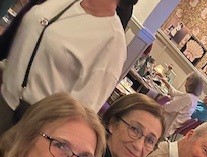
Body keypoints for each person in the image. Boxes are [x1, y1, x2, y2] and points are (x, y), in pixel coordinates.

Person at [0, 0, 127, 135]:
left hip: (31, 125)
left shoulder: (112, 42)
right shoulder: (65, 2)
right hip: (4, 94)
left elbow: (82, 111)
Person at [157, 72, 203, 138]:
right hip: (169, 125)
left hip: (166, 125)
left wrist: (166, 99)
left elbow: (167, 108)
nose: (185, 83)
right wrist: (164, 80)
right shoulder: (193, 98)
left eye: (187, 80)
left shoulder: (188, 98)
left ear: (191, 84)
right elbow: (175, 93)